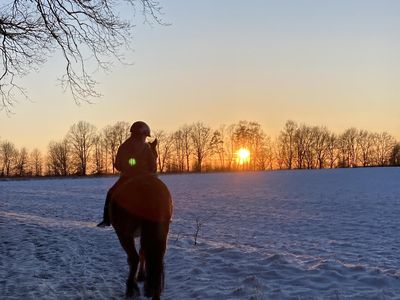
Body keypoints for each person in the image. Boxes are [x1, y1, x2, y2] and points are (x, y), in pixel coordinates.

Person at [97, 121, 158, 227]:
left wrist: (127, 168)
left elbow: (118, 165)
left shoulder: (124, 146)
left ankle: (106, 219)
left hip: (128, 177)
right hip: (146, 177)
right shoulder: (147, 148)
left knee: (111, 193)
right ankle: (161, 218)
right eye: (145, 136)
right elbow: (153, 167)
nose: (145, 139)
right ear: (142, 135)